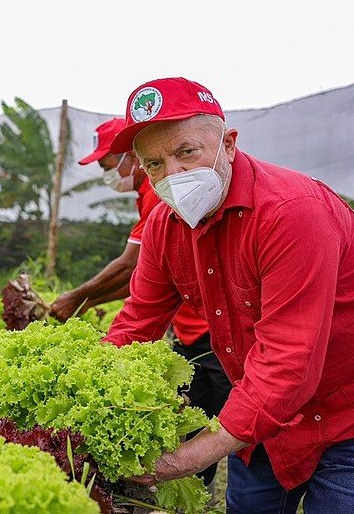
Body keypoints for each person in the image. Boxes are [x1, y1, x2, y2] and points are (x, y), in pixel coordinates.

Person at [103, 77, 354, 512]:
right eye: (154, 163)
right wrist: (84, 391)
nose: (172, 175)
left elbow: (289, 359)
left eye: (187, 152)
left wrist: (184, 458)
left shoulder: (292, 212)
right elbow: (137, 322)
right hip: (262, 421)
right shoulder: (163, 226)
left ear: (228, 144)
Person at [49, 118, 231, 489]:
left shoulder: (162, 192)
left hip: (215, 332)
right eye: (156, 163)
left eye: (106, 166)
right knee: (200, 415)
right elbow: (146, 288)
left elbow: (130, 265)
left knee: (229, 425)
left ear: (127, 159)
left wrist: (76, 299)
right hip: (191, 329)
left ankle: (202, 481)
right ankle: (200, 483)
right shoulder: (152, 196)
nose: (107, 175)